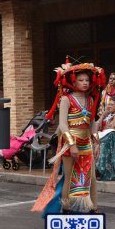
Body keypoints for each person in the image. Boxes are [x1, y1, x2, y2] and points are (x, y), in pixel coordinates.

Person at [33, 59, 104, 215]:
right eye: (81, 80)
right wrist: (71, 145)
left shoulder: (91, 99)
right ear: (74, 81)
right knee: (69, 176)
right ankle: (66, 208)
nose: (85, 83)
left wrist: (96, 142)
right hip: (70, 141)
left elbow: (92, 122)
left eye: (87, 80)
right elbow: (63, 125)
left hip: (86, 142)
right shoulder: (66, 99)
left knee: (91, 177)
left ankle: (93, 207)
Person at [95, 95, 115, 181]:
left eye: (112, 104)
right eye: (109, 104)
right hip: (103, 136)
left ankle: (101, 169)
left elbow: (113, 128)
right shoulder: (108, 115)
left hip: (112, 137)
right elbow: (96, 127)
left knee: (110, 135)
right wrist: (103, 116)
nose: (109, 106)